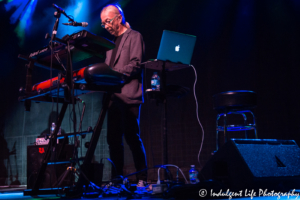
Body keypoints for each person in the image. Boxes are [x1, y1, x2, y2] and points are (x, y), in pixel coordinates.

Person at [100, 4, 147, 185]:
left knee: (132, 137)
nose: (106, 26)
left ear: (119, 18)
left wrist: (114, 75)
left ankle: (142, 178)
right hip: (112, 99)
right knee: (113, 140)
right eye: (103, 24)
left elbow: (135, 64)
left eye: (108, 22)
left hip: (128, 97)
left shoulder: (135, 36)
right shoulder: (109, 45)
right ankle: (117, 180)